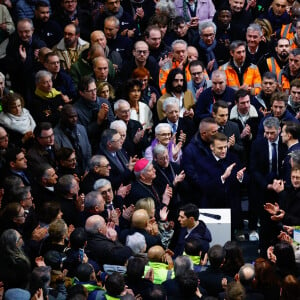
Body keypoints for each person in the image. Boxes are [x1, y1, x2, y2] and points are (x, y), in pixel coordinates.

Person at [250, 117, 287, 255]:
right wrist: (268, 185)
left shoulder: (285, 144)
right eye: (267, 133)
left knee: (282, 221)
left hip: (282, 188)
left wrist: (282, 183)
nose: (269, 136)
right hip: (264, 188)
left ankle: (282, 250)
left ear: (279, 130)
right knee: (265, 222)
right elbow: (254, 169)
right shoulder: (258, 144)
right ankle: (264, 251)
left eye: (272, 133)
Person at [5, 18, 46, 98]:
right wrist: (24, 60)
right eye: (20, 32)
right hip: (19, 84)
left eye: (26, 31)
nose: (23, 35)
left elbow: (42, 68)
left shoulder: (40, 45)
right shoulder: (12, 44)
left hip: (36, 85)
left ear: (32, 30)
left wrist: (27, 60)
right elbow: (10, 67)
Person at [74, 76, 114, 151]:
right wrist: (98, 121)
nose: (94, 93)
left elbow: (113, 123)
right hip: (91, 147)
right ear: (81, 93)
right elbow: (83, 134)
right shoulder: (76, 110)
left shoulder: (104, 102)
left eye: (95, 89)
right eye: (90, 91)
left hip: (108, 143)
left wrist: (105, 119)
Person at [54, 104, 91, 175]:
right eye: (71, 117)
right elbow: (60, 158)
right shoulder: (55, 134)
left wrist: (87, 169)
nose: (75, 119)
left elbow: (88, 149)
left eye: (76, 116)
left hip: (85, 169)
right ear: (63, 117)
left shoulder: (82, 128)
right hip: (69, 173)